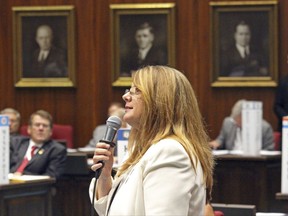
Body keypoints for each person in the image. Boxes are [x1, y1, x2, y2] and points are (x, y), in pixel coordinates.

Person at [89, 65, 214, 215]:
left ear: (159, 100)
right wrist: (104, 175)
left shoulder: (170, 151)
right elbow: (110, 210)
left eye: (137, 91)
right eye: (129, 90)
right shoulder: (141, 150)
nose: (126, 96)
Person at [10, 110, 67, 179]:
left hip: (35, 188)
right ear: (29, 129)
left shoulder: (56, 150)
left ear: (51, 132)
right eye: (37, 125)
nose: (41, 128)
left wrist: (22, 176)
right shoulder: (16, 143)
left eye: (45, 126)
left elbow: (51, 176)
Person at [209, 99, 274, 151]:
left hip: (254, 162)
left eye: (238, 119)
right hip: (231, 160)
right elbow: (220, 139)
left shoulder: (265, 128)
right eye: (235, 119)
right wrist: (216, 143)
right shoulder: (228, 122)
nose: (236, 123)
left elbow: (269, 150)